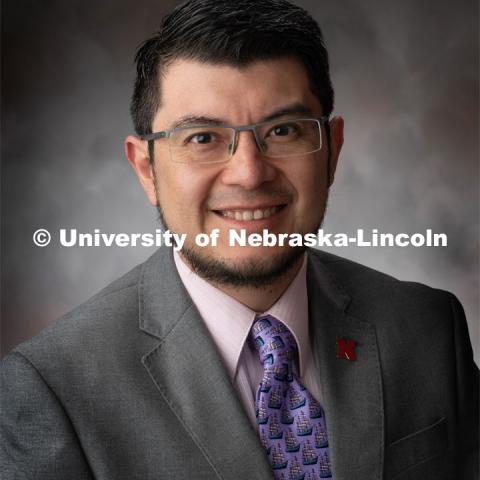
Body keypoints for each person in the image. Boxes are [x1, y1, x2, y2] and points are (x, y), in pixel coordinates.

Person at [1, 0, 478, 479]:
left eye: (283, 130)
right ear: (146, 170)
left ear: (331, 151)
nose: (249, 173)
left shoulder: (427, 330)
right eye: (203, 138)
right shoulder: (53, 389)